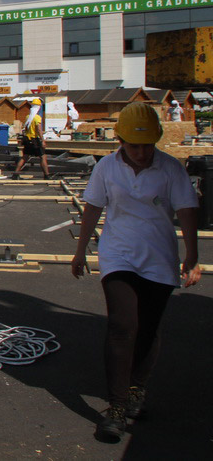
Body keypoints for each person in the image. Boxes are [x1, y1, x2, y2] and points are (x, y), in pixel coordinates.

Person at [71, 102, 200, 442]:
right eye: (134, 145)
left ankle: (136, 389)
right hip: (118, 253)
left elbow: (187, 210)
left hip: (158, 255)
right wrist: (81, 250)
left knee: (149, 328)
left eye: (147, 145)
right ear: (120, 141)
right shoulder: (107, 168)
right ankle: (115, 408)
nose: (142, 153)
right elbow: (93, 207)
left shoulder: (170, 168)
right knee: (121, 326)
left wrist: (193, 256)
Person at [13, 98, 50, 179]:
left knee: (25, 157)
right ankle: (47, 175)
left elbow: (26, 128)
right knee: (43, 157)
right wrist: (42, 140)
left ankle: (15, 174)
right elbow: (39, 129)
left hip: (27, 139)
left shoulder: (28, 117)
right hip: (34, 139)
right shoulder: (37, 118)